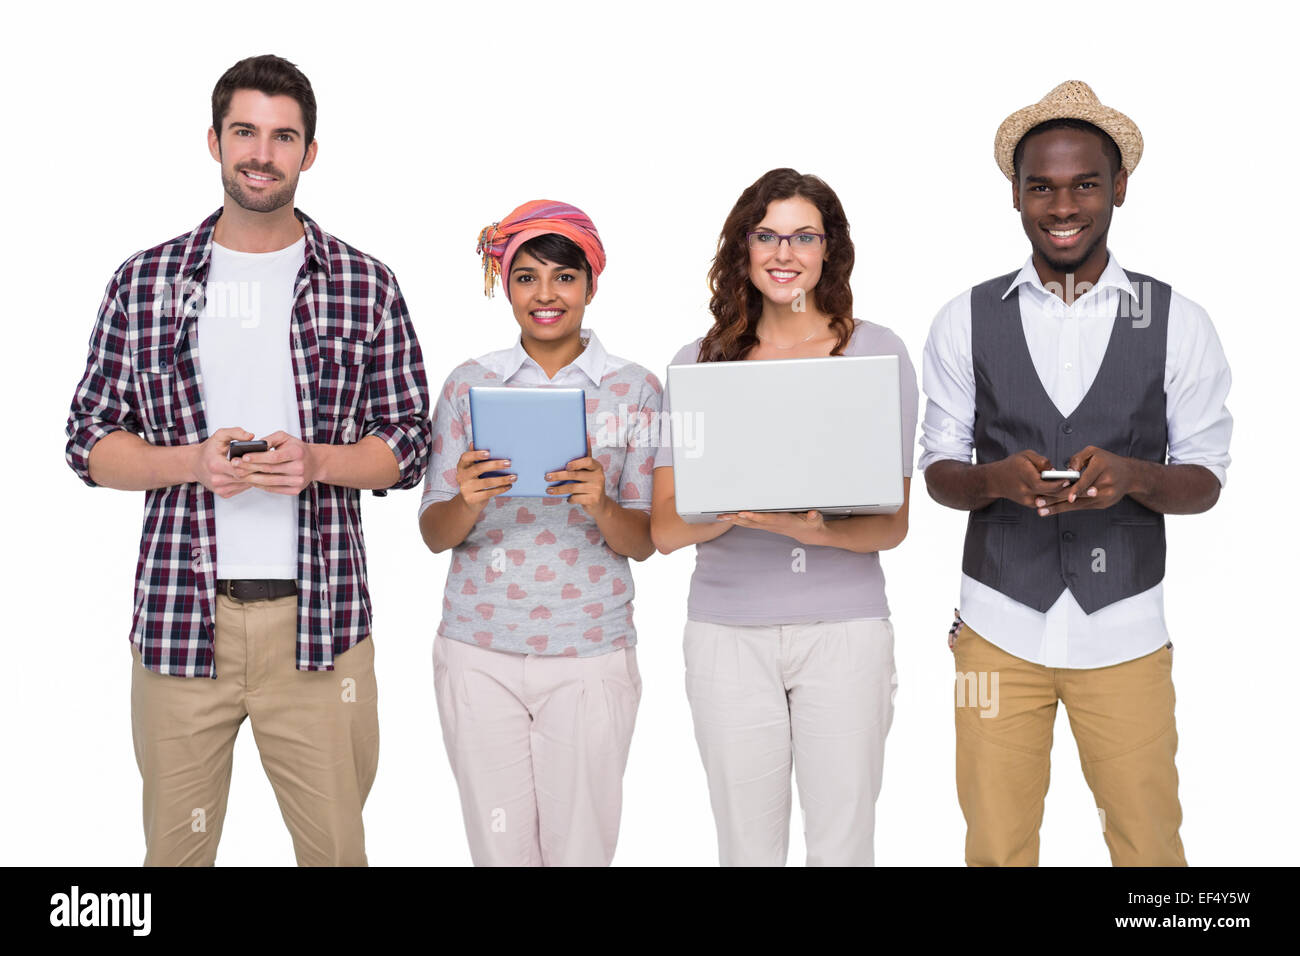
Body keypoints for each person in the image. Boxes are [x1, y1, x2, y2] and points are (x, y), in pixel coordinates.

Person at [63, 54, 431, 866]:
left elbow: (408, 442)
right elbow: (88, 441)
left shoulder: (365, 285)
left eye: (283, 135)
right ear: (215, 141)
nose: (262, 152)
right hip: (180, 626)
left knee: (336, 854)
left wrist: (320, 464)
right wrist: (190, 461)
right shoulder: (146, 280)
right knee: (174, 858)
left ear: (309, 151)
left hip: (322, 627)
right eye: (245, 132)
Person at [919, 81, 1232, 866]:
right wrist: (994, 481)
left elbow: (1206, 478)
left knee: (1151, 847)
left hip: (1125, 631)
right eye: (1042, 187)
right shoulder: (964, 318)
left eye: (1085, 184)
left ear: (1119, 187)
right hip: (993, 629)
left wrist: (1135, 476)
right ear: (1016, 195)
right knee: (993, 846)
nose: (1063, 206)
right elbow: (937, 470)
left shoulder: (1176, 321)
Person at [650, 168, 918, 867]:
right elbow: (665, 531)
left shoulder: (875, 353)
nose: (783, 252)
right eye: (766, 235)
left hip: (844, 631)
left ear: (830, 250)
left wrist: (817, 530)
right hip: (727, 634)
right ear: (743, 247)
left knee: (842, 844)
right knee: (747, 849)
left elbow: (892, 524)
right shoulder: (698, 364)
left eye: (803, 236)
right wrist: (737, 510)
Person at [419, 200, 660, 867]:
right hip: (478, 649)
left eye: (563, 277)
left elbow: (645, 539)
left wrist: (600, 503)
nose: (545, 294)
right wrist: (466, 499)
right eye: (526, 277)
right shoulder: (469, 384)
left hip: (588, 651)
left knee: (580, 852)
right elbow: (435, 533)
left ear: (590, 283)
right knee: (499, 854)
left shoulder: (634, 389)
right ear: (505, 283)